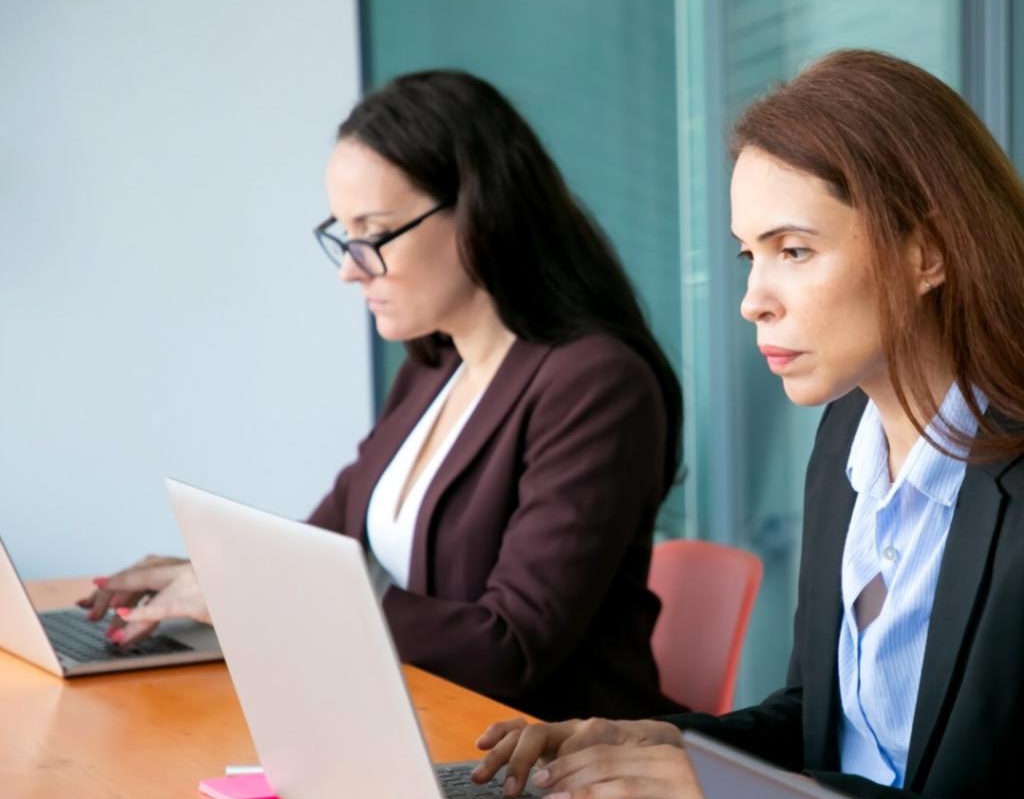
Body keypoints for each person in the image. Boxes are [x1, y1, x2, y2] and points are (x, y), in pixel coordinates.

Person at [469, 48, 1024, 799]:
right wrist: (643, 747)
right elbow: (820, 721)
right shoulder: (850, 428)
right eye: (747, 257)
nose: (754, 299)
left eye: (793, 250)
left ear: (929, 252)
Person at [79, 70, 686, 721]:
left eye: (372, 233)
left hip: (540, 770)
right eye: (343, 233)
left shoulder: (594, 384)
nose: (349, 267)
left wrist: (253, 593)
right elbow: (318, 555)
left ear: (481, 214)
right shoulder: (431, 369)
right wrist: (210, 578)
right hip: (411, 730)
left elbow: (509, 649)